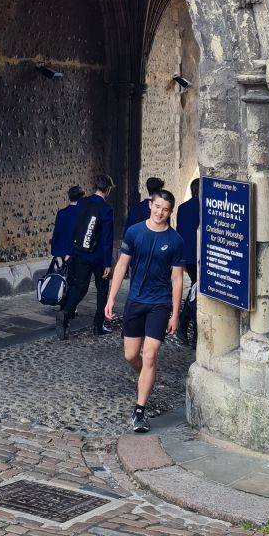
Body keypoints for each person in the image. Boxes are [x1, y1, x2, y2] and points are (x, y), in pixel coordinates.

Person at [104, 190, 185, 432]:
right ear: (150, 205)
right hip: (136, 301)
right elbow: (121, 266)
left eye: (166, 209)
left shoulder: (175, 240)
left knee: (150, 356)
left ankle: (139, 411)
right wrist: (110, 299)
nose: (160, 212)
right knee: (131, 356)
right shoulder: (135, 232)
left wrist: (176, 313)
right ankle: (145, 377)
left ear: (170, 212)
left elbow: (178, 279)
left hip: (160, 304)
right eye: (157, 207)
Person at [56, 174, 114, 339]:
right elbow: (107, 238)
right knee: (102, 288)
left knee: (80, 287)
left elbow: (76, 228)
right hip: (98, 256)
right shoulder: (106, 209)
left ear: (95, 187)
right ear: (108, 190)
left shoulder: (82, 203)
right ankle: (98, 325)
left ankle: (65, 312)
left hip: (80, 253)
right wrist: (107, 263)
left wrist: (71, 251)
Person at [176, 177, 200, 284]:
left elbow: (179, 231)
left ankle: (192, 299)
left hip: (187, 252)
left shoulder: (182, 207)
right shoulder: (206, 207)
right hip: (202, 252)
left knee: (194, 281)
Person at [50, 185, 84, 258]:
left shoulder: (61, 213)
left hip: (62, 250)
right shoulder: (82, 214)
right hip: (74, 252)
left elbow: (56, 233)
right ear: (81, 198)